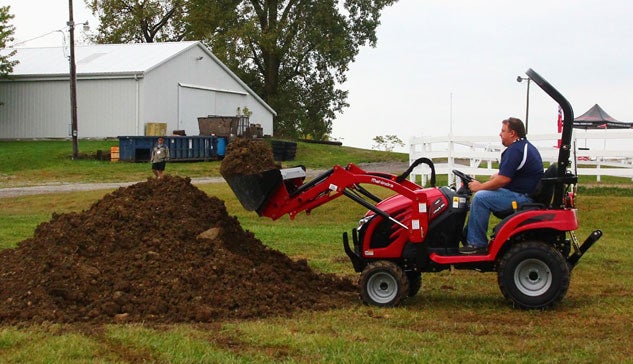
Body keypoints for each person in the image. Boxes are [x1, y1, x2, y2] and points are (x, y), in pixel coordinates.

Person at [460, 117, 543, 254]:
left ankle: (476, 244)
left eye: (503, 130)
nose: (500, 134)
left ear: (512, 133)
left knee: (481, 197)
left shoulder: (515, 150)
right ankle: (467, 234)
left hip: (522, 197)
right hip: (524, 192)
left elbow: (503, 180)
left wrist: (479, 187)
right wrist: (493, 178)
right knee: (483, 194)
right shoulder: (523, 146)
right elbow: (507, 174)